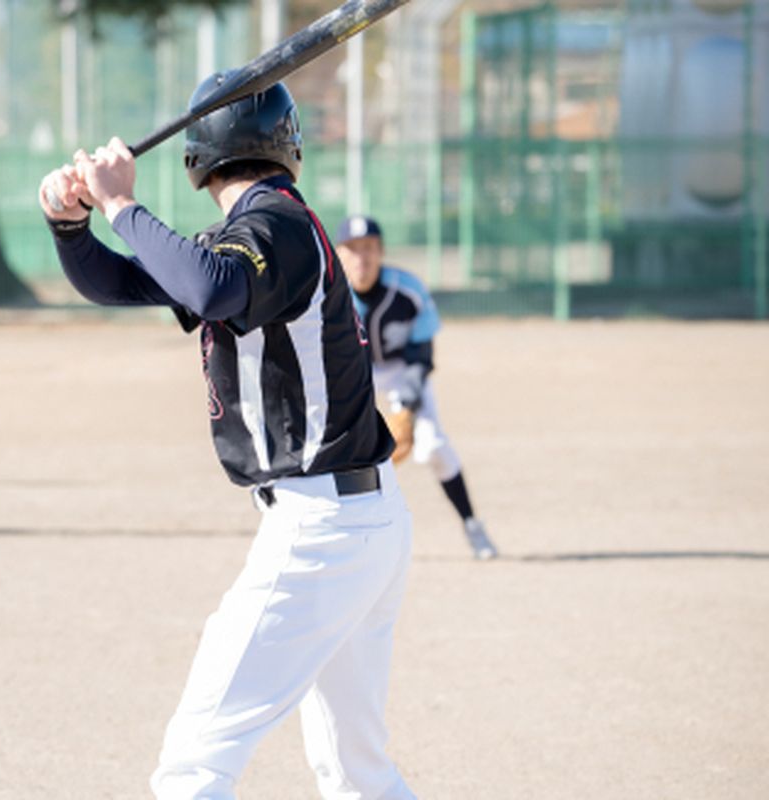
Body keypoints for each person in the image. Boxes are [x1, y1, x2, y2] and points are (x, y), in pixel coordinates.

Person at [39, 74, 415, 799]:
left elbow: (209, 288)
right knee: (355, 770)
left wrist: (121, 201)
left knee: (194, 763)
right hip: (355, 520)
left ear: (197, 158)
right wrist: (71, 224)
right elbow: (124, 283)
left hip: (320, 529)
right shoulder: (260, 230)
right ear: (287, 142)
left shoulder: (274, 226)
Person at [335, 215, 498, 560]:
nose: (362, 258)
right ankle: (346, 540)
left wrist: (405, 406)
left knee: (435, 445)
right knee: (341, 457)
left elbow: (421, 356)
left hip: (399, 372)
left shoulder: (407, 290)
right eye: (353, 249)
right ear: (339, 253)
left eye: (369, 249)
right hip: (351, 375)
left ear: (381, 252)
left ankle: (472, 524)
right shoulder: (329, 295)